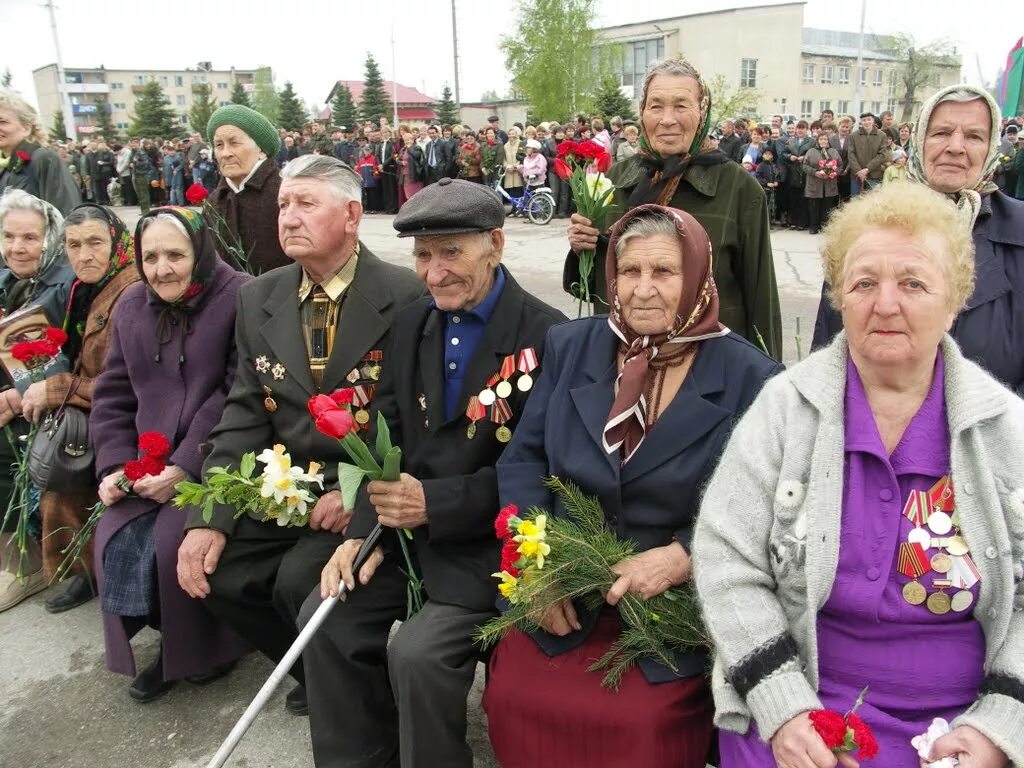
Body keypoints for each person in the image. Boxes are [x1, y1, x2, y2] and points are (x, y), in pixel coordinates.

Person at [697, 181, 1024, 767]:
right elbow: (727, 559)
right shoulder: (785, 407)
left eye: (914, 283)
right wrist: (784, 708)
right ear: (839, 298)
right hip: (799, 691)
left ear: (955, 301)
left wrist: (1001, 726)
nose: (885, 303)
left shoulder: (1004, 427)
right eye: (864, 283)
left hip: (961, 717)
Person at [486, 204, 782, 768]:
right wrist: (534, 567)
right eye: (630, 272)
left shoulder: (752, 378)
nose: (643, 290)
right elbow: (523, 460)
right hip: (564, 594)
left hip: (667, 612)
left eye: (665, 272)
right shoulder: (570, 347)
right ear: (611, 278)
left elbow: (762, 504)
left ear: (696, 276)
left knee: (639, 724)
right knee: (513, 697)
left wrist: (682, 555)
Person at [300, 178, 565, 767]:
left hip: (486, 548)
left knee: (418, 656)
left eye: (451, 252)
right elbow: (384, 436)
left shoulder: (548, 337)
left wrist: (436, 504)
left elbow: (542, 471)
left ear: (495, 243)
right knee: (324, 618)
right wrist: (359, 536)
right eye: (422, 254)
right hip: (401, 538)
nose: (434, 271)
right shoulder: (412, 323)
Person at [176, 156, 424, 717]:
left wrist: (359, 492)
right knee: (218, 571)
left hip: (357, 490)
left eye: (306, 203)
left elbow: (415, 418)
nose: (287, 217)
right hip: (286, 484)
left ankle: (341, 681)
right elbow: (244, 412)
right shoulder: (258, 297)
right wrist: (209, 516)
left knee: (296, 580)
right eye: (284, 204)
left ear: (353, 214)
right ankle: (316, 669)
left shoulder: (405, 295)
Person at [89, 207, 249, 701]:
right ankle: (172, 641)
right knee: (113, 535)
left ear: (199, 252)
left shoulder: (238, 294)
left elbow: (235, 391)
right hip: (145, 460)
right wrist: (116, 464)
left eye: (175, 255)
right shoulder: (134, 303)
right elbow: (113, 390)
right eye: (150, 256)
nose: (161, 269)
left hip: (218, 454)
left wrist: (185, 466)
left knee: (172, 542)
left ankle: (208, 648)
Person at [566, 57, 783, 359]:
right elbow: (600, 286)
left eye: (681, 105)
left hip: (709, 368)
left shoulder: (740, 189)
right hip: (622, 359)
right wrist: (583, 248)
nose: (667, 118)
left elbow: (761, 298)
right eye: (656, 106)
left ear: (702, 112)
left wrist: (767, 383)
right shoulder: (615, 181)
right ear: (642, 114)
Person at [814, 85, 1024, 394]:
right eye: (941, 133)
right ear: (918, 139)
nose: (956, 147)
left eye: (974, 136)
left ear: (991, 147)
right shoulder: (867, 222)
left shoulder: (1018, 232)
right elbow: (829, 355)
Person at [24, 205, 141, 614]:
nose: (84, 254)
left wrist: (55, 389)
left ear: (117, 242)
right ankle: (85, 570)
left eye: (95, 243)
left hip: (124, 413)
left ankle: (94, 571)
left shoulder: (130, 291)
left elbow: (126, 382)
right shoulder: (84, 288)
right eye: (74, 245)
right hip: (87, 402)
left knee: (66, 464)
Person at [0, 190, 75, 611]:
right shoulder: (9, 280)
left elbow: (71, 360)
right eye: (9, 236)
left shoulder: (61, 285)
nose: (17, 247)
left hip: (49, 403)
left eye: (30, 237)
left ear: (49, 239)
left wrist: (12, 398)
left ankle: (23, 561)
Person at [206, 105, 290, 274]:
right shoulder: (213, 202)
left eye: (234, 143)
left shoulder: (285, 193)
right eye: (219, 145)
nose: (225, 153)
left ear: (261, 150)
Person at [0, 90, 81, 215]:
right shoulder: (4, 167)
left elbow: (67, 213)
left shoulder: (42, 158)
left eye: (2, 122)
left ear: (26, 128)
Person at [803, 131, 841, 235]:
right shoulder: (811, 151)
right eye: (821, 139)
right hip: (814, 183)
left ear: (828, 140)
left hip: (829, 184)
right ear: (817, 140)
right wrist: (815, 172)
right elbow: (805, 166)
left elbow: (840, 165)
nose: (823, 141)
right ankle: (814, 226)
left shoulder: (834, 152)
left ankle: (825, 226)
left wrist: (834, 172)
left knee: (827, 206)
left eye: (825, 139)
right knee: (814, 206)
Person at [848, 112, 888, 196]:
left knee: (872, 202)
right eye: (864, 120)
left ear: (873, 121)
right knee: (856, 201)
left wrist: (867, 169)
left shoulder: (882, 135)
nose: (866, 122)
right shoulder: (853, 136)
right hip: (857, 176)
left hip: (874, 175)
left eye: (869, 119)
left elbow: (882, 155)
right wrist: (859, 171)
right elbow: (851, 155)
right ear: (861, 122)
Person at [502, 126, 524, 198]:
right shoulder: (505, 146)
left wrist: (514, 166)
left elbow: (522, 157)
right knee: (511, 191)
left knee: (518, 189)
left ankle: (518, 207)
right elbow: (504, 158)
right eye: (509, 134)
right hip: (509, 171)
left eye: (513, 133)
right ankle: (514, 206)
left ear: (516, 134)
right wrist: (506, 166)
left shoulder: (520, 143)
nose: (511, 135)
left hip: (517, 171)